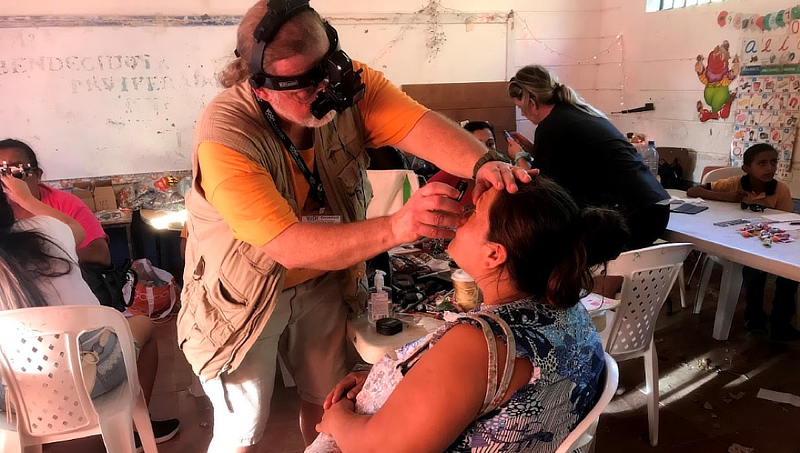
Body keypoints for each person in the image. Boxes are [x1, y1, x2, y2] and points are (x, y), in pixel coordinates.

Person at [178, 1, 533, 452]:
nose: (328, 90)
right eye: (308, 88)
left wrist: (485, 164)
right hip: (243, 296)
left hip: (324, 281)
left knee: (329, 404)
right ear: (263, 90)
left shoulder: (348, 86)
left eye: (330, 70)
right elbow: (287, 246)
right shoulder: (227, 136)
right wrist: (398, 226)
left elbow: (417, 126)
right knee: (242, 429)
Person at [305, 177, 628, 453]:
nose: (460, 217)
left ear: (493, 254)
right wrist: (388, 383)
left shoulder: (479, 344)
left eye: (473, 213)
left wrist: (339, 419)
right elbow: (472, 389)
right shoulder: (565, 309)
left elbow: (380, 449)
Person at [0, 174, 180, 446]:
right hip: (90, 381)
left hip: (13, 396)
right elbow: (79, 231)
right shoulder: (48, 230)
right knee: (142, 324)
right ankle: (133, 426)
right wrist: (26, 199)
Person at [505, 65, 670, 250]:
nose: (522, 114)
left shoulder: (551, 126)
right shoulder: (579, 113)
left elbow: (540, 189)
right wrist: (532, 149)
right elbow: (573, 159)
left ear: (532, 103)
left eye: (521, 107)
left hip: (629, 215)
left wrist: (519, 156)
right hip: (654, 205)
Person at [687, 144, 799, 341]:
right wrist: (726, 197)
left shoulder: (780, 189)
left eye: (773, 162)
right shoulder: (734, 184)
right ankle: (753, 317)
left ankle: (780, 322)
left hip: (770, 242)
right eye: (762, 163)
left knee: (790, 274)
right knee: (753, 270)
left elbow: (786, 220)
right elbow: (693, 191)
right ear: (747, 169)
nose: (770, 168)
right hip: (738, 241)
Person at [0, 139, 111, 267]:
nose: (8, 182)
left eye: (17, 173)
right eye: (1, 174)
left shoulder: (64, 203)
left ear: (37, 175)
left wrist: (46, 259)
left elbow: (101, 254)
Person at [429, 121, 505, 207]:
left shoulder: (502, 176)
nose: (486, 151)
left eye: (490, 144)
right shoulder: (452, 173)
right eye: (479, 146)